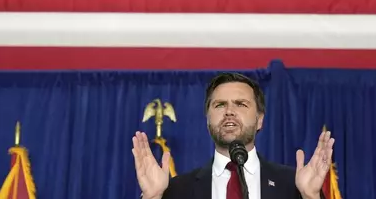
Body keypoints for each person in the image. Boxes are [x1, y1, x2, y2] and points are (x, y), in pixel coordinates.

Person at [132, 72, 335, 199]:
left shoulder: (293, 186)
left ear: (260, 120)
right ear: (207, 119)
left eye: (241, 104)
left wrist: (310, 197)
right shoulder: (176, 191)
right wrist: (152, 197)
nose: (229, 111)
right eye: (220, 105)